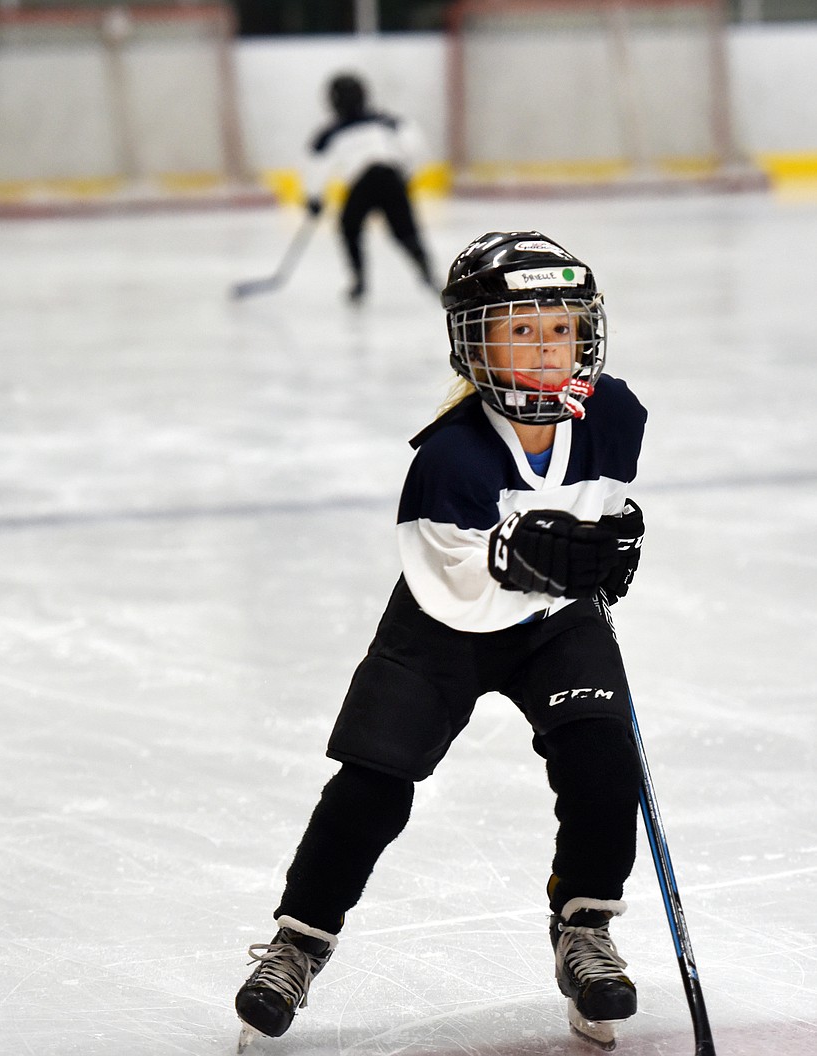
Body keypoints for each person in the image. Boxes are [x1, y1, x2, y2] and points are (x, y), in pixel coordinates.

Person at [234, 231, 649, 1051]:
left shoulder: (615, 414)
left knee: (604, 759)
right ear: (475, 344)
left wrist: (618, 543)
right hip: (440, 625)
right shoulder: (450, 457)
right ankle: (298, 942)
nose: (544, 348)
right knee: (371, 788)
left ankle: (586, 927)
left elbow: (600, 511)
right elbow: (459, 580)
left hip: (552, 621)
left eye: (559, 328)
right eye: (519, 330)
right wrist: (539, 549)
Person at [304, 72, 437, 304]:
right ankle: (428, 275)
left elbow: (316, 168)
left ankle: (359, 283)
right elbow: (416, 147)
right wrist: (406, 174)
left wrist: (314, 197)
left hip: (361, 182)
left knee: (349, 228)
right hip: (390, 177)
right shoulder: (388, 121)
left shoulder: (329, 133)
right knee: (406, 232)